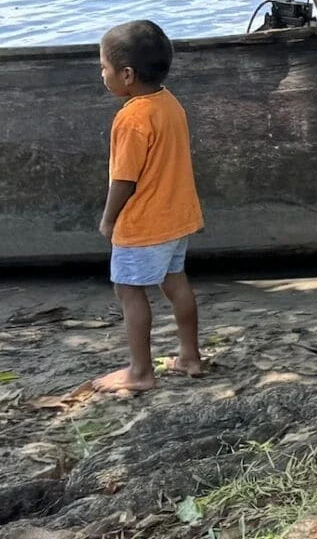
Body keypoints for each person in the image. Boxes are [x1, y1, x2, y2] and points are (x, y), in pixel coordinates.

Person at [92, 20, 205, 393]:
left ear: (126, 75)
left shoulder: (131, 118)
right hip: (178, 217)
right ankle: (190, 356)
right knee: (176, 282)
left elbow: (124, 178)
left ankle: (140, 372)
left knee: (128, 290)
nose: (101, 73)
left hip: (144, 223)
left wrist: (109, 220)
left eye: (104, 66)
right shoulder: (169, 103)